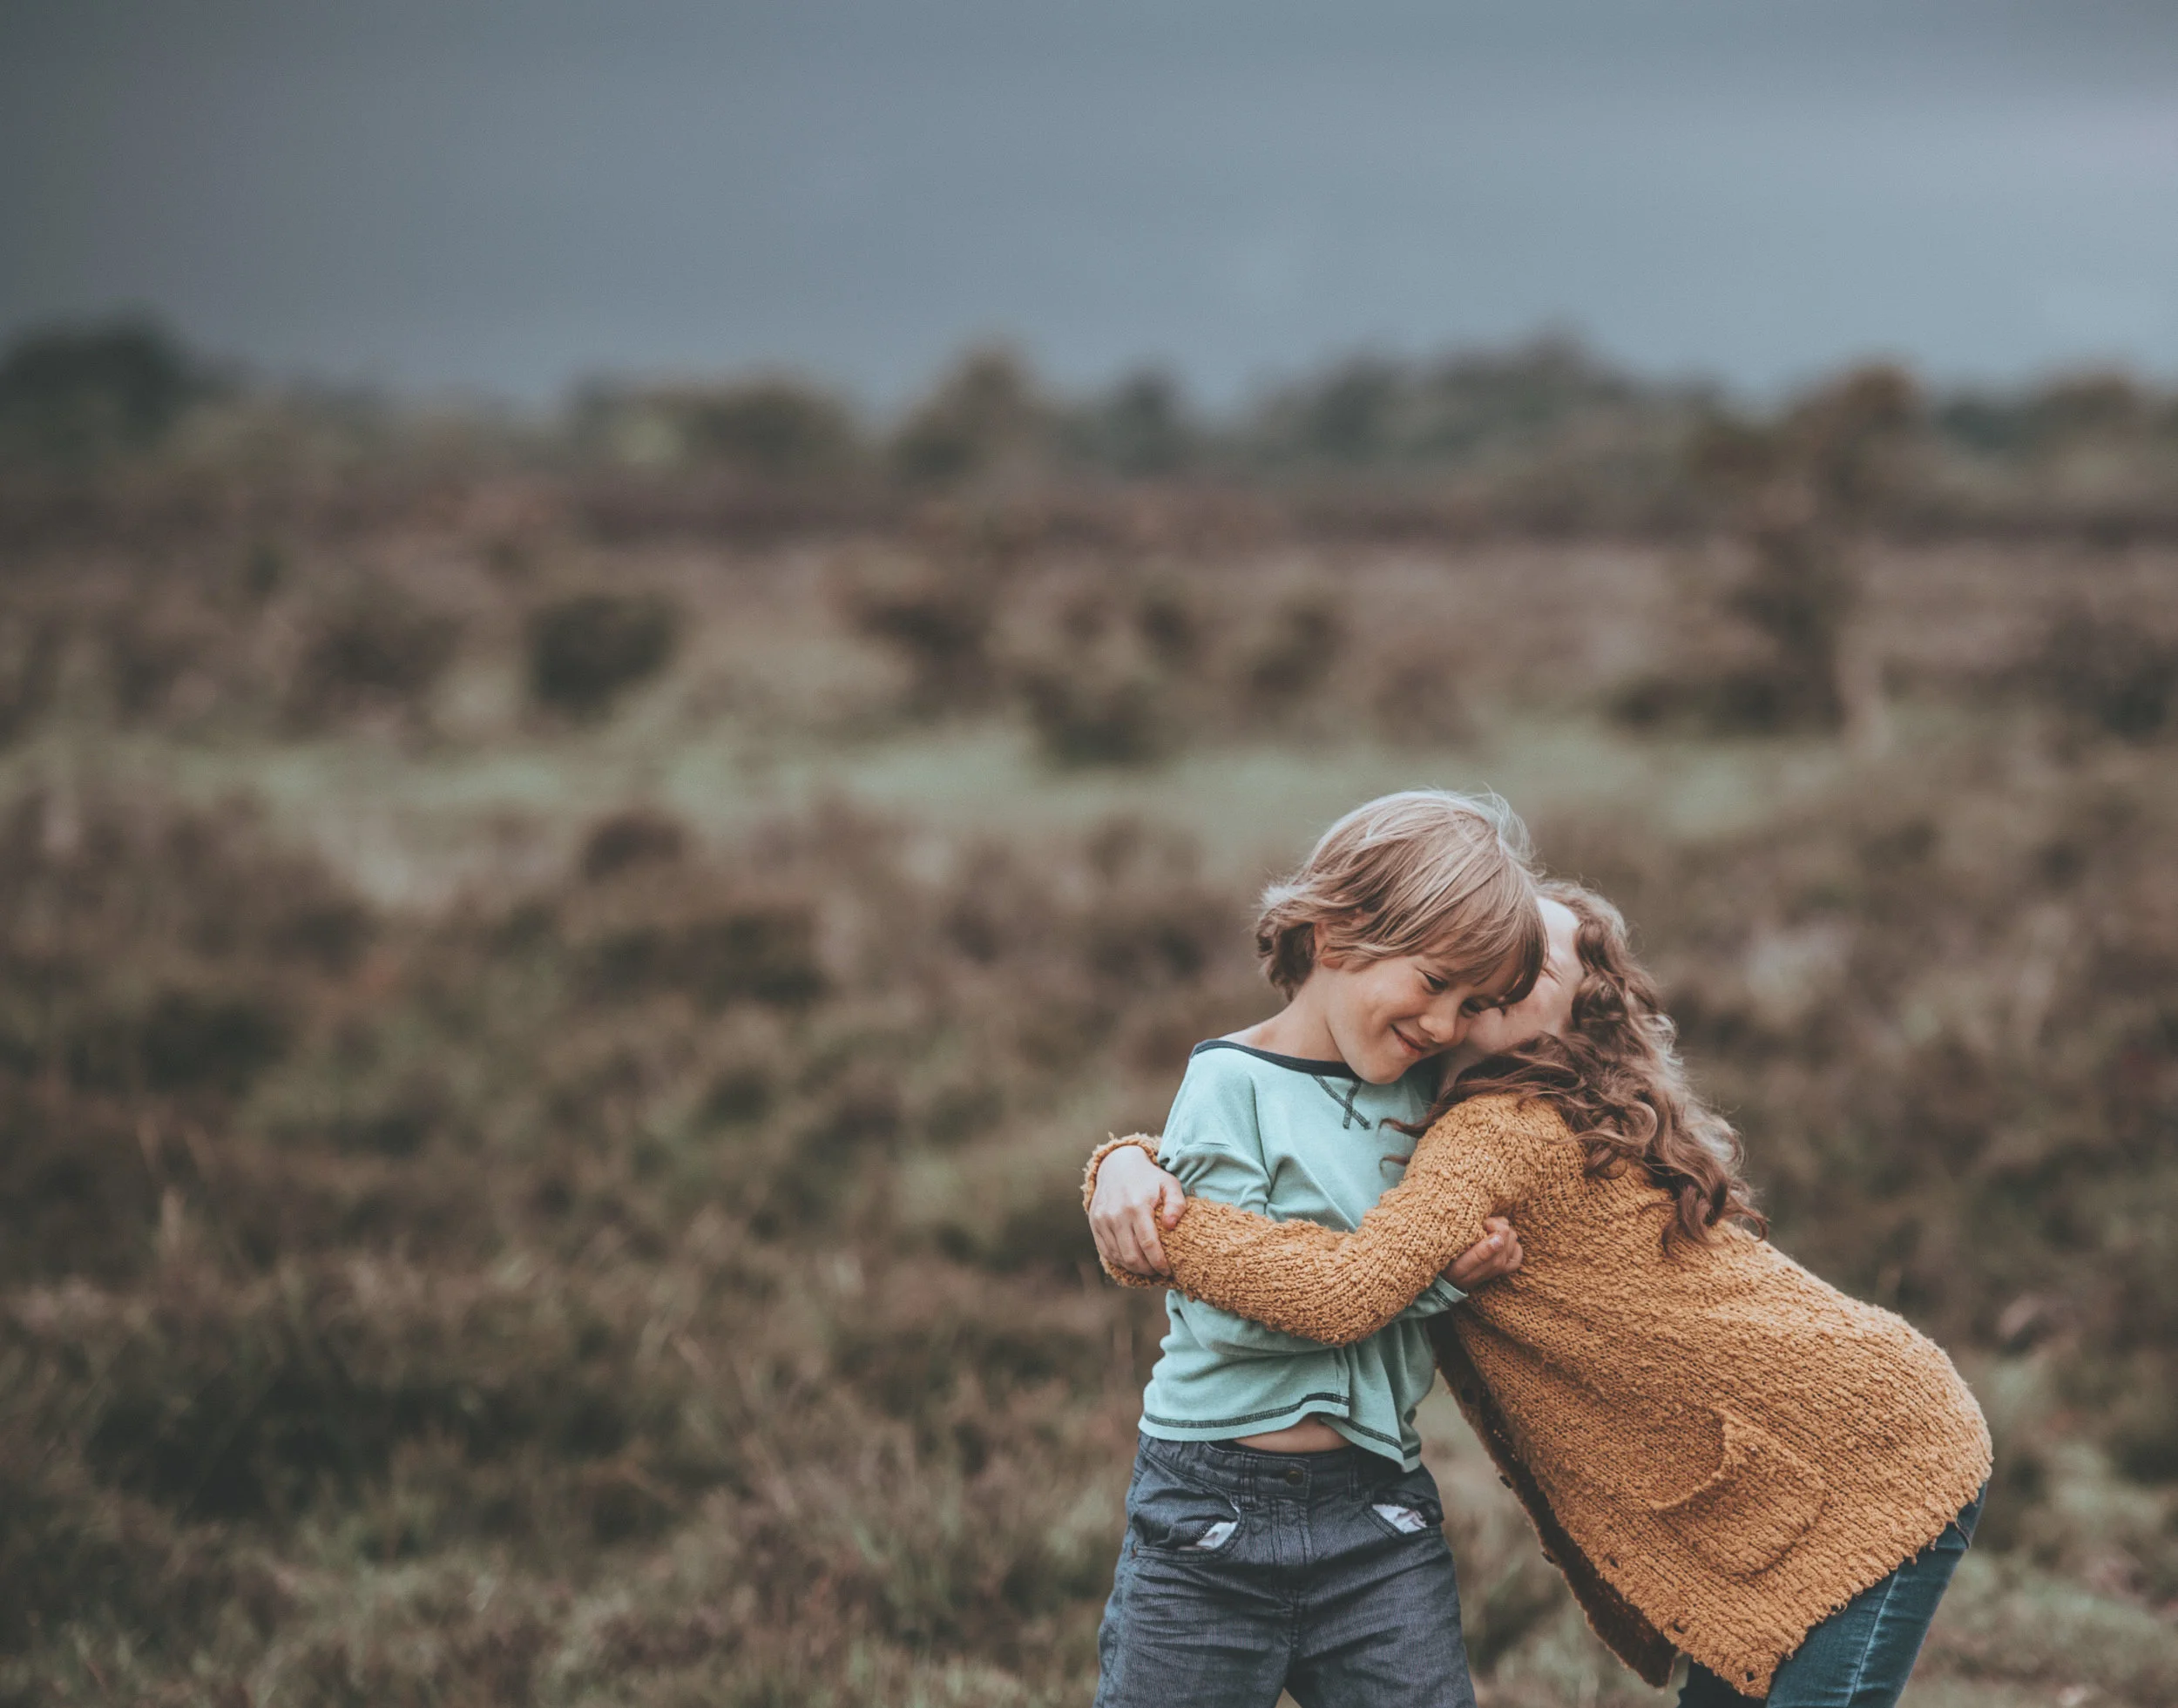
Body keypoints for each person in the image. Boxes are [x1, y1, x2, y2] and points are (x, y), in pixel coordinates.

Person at [1087, 884, 1992, 1708]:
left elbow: (1343, 1284)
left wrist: (1161, 1220)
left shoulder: (1498, 1127)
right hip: (1804, 1458)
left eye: (1531, 960)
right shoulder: (1421, 1094)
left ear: (1574, 1015)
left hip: (1877, 1452)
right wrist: (1129, 1157)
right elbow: (1293, 1117)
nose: (1500, 961)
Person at [1086, 789, 1544, 1708]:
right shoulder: (1228, 1082)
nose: (1449, 1023)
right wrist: (1430, 1286)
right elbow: (1233, 1308)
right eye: (1433, 980)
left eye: (1475, 1002)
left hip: (1376, 1511)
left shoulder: (1428, 1098)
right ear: (1336, 936)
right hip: (1208, 1512)